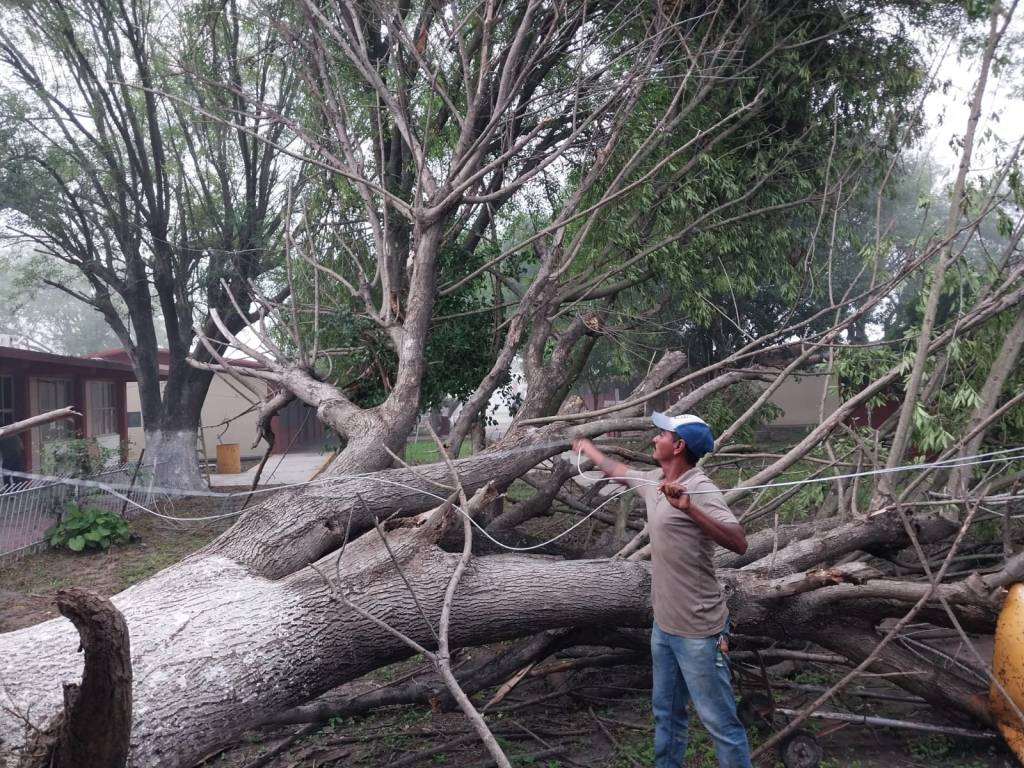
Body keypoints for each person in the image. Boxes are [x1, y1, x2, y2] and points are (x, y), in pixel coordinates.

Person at [573, 412, 751, 768]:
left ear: (679, 445)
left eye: (662, 435)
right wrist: (588, 449)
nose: (655, 439)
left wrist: (689, 508)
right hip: (664, 628)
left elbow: (739, 542)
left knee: (720, 723)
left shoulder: (700, 488)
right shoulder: (655, 480)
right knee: (666, 716)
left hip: (700, 632)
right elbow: (619, 472)